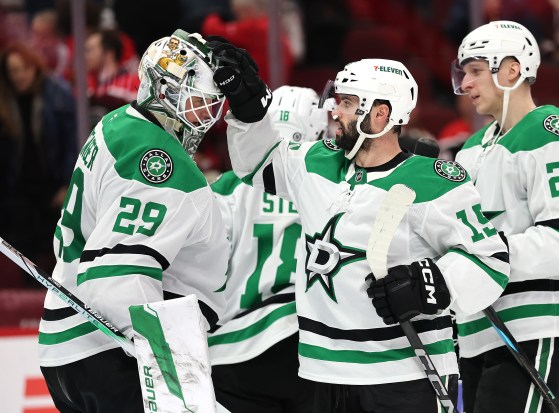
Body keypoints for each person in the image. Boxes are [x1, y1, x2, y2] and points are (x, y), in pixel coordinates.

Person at [210, 38, 510, 412]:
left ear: (380, 114)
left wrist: (431, 284)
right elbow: (258, 164)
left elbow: (490, 259)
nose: (336, 113)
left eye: (349, 104)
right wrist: (247, 108)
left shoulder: (431, 180)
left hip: (404, 373)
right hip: (325, 371)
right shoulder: (318, 162)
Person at [38, 29, 230, 412]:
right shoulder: (160, 160)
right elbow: (117, 277)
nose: (206, 117)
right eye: (197, 102)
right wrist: (171, 373)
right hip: (117, 353)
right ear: (163, 89)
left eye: (212, 105)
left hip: (66, 349)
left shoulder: (119, 124)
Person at [451, 20, 559, 413]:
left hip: (538, 316)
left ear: (511, 70)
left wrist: (486, 255)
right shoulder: (471, 150)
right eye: (463, 73)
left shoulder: (552, 131)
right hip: (479, 325)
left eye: (475, 71)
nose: (466, 84)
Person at [209, 85, 328, 412]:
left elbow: (200, 261)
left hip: (234, 349)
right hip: (308, 339)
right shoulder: (331, 181)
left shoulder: (226, 186)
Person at [0, 42, 77, 282]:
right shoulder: (4, 99)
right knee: (21, 248)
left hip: (52, 186)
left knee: (58, 245)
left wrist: (67, 184)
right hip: (15, 189)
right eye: (12, 71)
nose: (18, 76)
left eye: (23, 68)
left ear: (34, 67)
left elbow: (71, 143)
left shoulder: (57, 95)